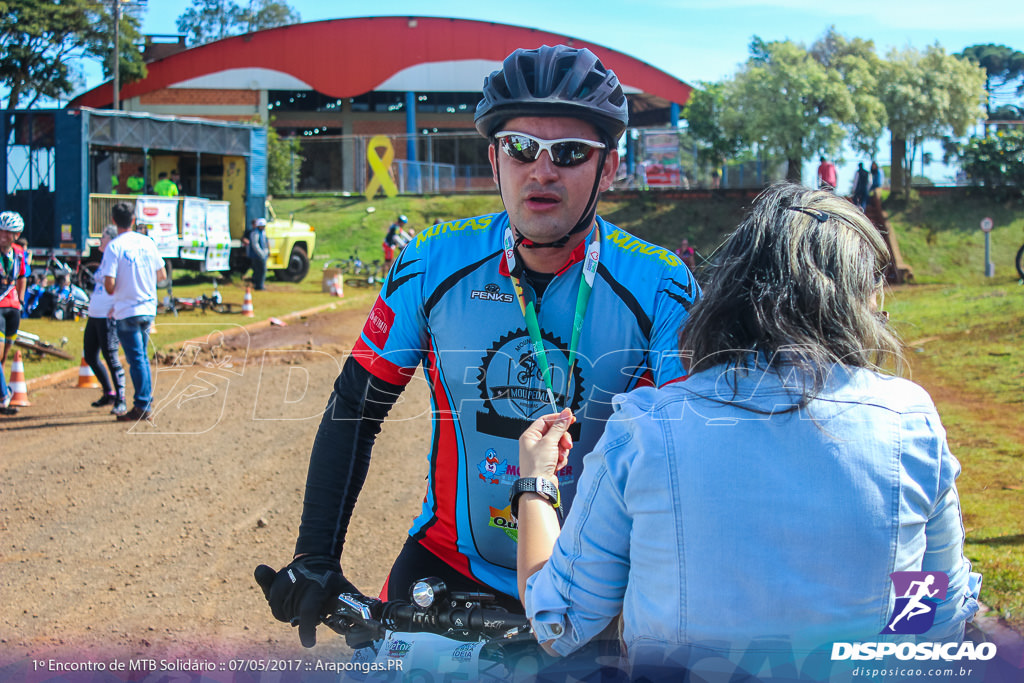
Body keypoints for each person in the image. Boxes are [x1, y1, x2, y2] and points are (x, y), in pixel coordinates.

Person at [254, 44, 700, 649]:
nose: (541, 171)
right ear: (494, 159)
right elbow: (354, 410)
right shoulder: (431, 263)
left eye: (570, 154)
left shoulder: (662, 287)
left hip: (597, 585)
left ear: (610, 168)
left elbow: (692, 459)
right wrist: (316, 556)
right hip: (449, 570)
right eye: (521, 148)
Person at [517, 182, 980, 678]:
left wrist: (535, 484)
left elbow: (560, 625)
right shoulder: (910, 418)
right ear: (856, 307)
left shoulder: (646, 429)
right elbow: (934, 620)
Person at [99, 201, 166, 422]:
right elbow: (161, 275)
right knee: (142, 358)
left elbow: (109, 284)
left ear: (113, 221)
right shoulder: (147, 242)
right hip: (148, 307)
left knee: (136, 358)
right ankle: (144, 401)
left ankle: (142, 404)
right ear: (134, 219)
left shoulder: (114, 246)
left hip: (127, 309)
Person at [83, 225, 127, 416]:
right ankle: (108, 392)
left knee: (111, 357)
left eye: (103, 237)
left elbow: (122, 286)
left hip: (108, 317)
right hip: (94, 315)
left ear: (112, 239)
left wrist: (115, 307)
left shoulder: (117, 258)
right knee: (90, 355)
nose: (100, 240)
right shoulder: (104, 260)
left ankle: (121, 398)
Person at [0, 211, 29, 415]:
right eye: (1, 231)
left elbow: (22, 276)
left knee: (4, 357)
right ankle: (4, 397)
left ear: (16, 234)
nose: (3, 235)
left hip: (13, 308)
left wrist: (21, 298)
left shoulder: (19, 252)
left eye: (8, 232)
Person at [246, 217, 269, 290]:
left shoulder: (263, 233)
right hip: (257, 256)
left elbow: (265, 243)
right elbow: (255, 245)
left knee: (262, 270)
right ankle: (259, 285)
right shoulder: (255, 233)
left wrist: (266, 252)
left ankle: (260, 285)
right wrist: (261, 254)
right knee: (259, 270)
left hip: (262, 255)